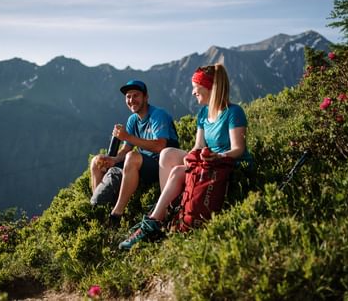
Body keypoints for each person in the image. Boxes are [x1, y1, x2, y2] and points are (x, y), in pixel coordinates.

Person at [119, 63, 253, 250]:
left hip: (227, 163)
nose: (192, 92)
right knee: (167, 153)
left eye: (195, 87)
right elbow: (198, 146)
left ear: (208, 87)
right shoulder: (203, 114)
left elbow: (238, 149)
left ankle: (156, 219)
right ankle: (169, 209)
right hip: (209, 161)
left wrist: (217, 155)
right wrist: (194, 156)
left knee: (178, 172)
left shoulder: (233, 112)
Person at [90, 79, 179, 227]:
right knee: (97, 161)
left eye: (136, 95)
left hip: (162, 166)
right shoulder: (133, 119)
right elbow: (126, 149)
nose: (131, 100)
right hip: (141, 164)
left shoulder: (158, 115)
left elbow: (160, 146)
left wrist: (127, 137)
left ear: (146, 97)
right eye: (128, 96)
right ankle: (99, 207)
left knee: (133, 157)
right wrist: (113, 159)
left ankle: (116, 215)